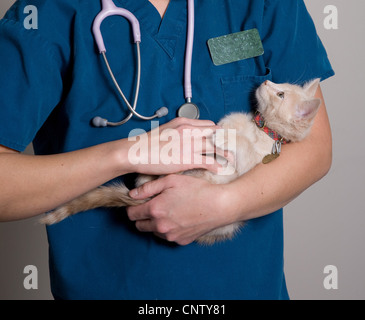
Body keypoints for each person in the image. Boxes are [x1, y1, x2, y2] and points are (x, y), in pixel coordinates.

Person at [0, 0, 334, 299]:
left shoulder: (266, 5)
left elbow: (315, 146)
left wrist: (226, 204)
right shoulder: (48, 12)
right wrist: (127, 154)